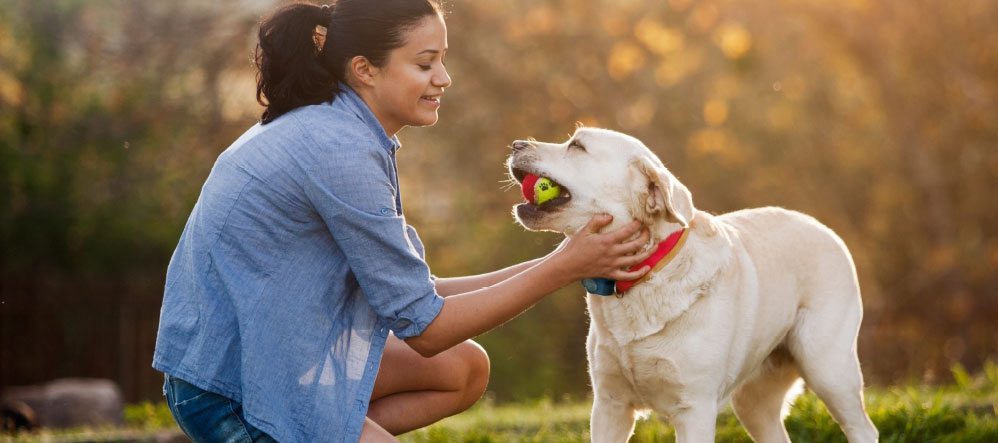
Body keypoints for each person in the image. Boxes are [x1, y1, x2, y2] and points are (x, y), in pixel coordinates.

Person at [152, 1, 654, 442]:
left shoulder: (340, 125)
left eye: (443, 60)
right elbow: (427, 330)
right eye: (424, 63)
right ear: (365, 69)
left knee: (464, 370)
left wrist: (562, 261)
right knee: (445, 354)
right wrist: (563, 268)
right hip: (229, 387)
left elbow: (417, 299)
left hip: (273, 355)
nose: (443, 77)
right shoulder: (340, 151)